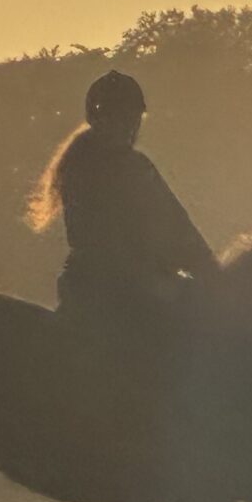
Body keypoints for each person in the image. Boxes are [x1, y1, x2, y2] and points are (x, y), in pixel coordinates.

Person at [25, 70, 218, 354]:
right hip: (129, 290)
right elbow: (176, 229)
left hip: (85, 287)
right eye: (122, 119)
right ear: (101, 120)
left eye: (131, 119)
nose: (128, 128)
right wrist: (213, 275)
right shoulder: (131, 167)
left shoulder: (77, 163)